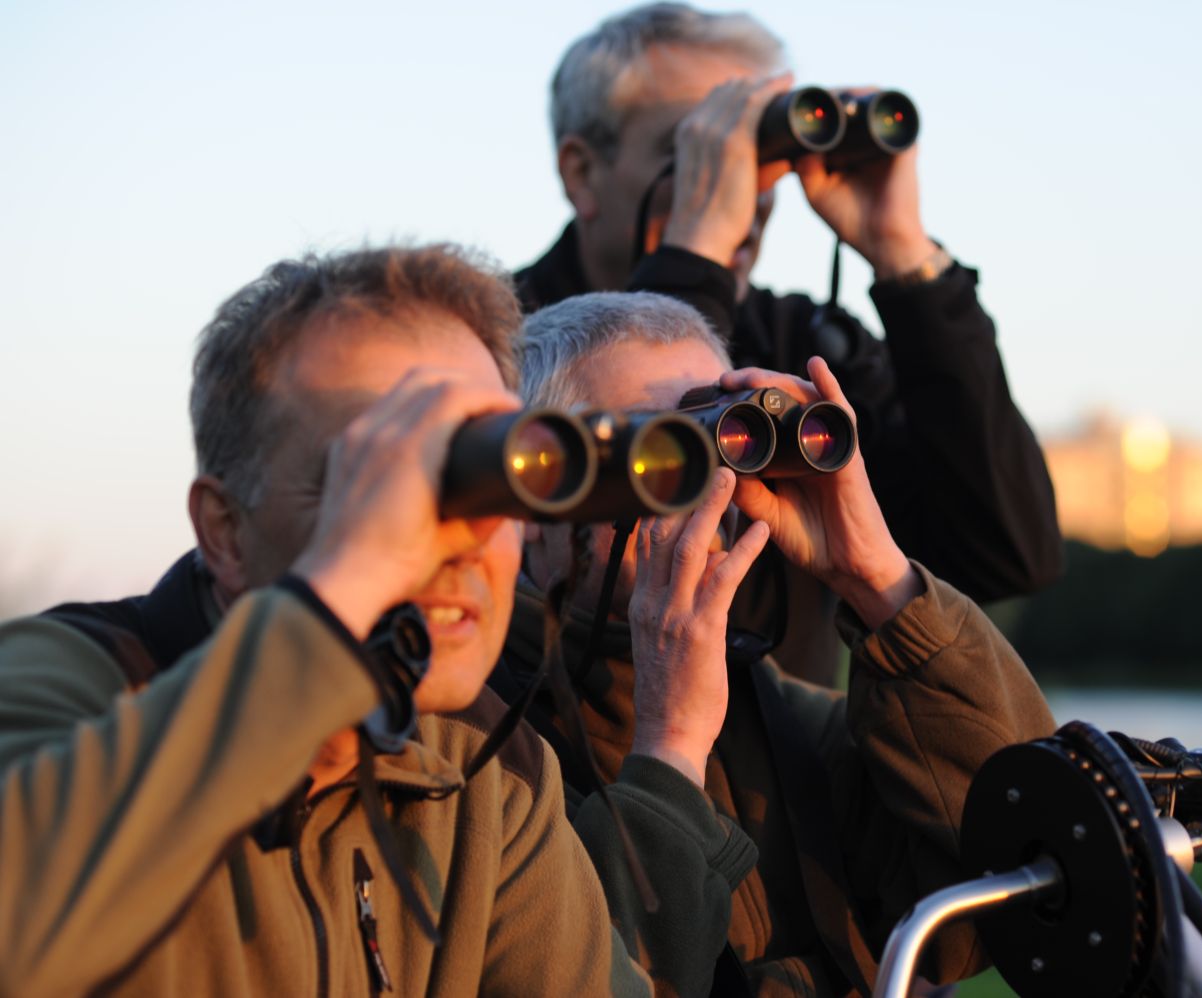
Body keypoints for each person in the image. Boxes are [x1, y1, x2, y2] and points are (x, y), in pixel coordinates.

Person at [0, 246, 743, 996]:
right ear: (224, 531)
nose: (455, 538)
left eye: (488, 477)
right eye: (370, 479)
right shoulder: (67, 684)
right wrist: (343, 592)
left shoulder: (487, 766)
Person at [491, 291, 1058, 996]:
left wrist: (879, 581)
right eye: (656, 452)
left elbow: (1024, 861)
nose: (703, 495)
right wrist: (670, 747)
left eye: (717, 443)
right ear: (533, 494)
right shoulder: (477, 743)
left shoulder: (783, 721)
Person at [517, 2, 1065, 683]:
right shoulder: (498, 347)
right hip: (550, 771)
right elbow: (648, 506)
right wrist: (695, 256)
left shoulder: (802, 346)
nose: (742, 191)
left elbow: (1005, 555)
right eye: (695, 152)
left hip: (783, 777)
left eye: (759, 153)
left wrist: (908, 266)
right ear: (582, 173)